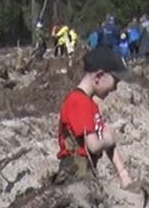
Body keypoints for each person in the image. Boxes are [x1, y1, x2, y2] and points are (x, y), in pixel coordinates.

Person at [56, 46, 134, 186]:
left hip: (87, 172)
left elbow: (109, 144)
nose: (115, 88)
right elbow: (93, 145)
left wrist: (124, 176)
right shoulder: (77, 102)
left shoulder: (91, 105)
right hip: (74, 175)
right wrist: (108, 139)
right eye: (115, 82)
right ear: (99, 77)